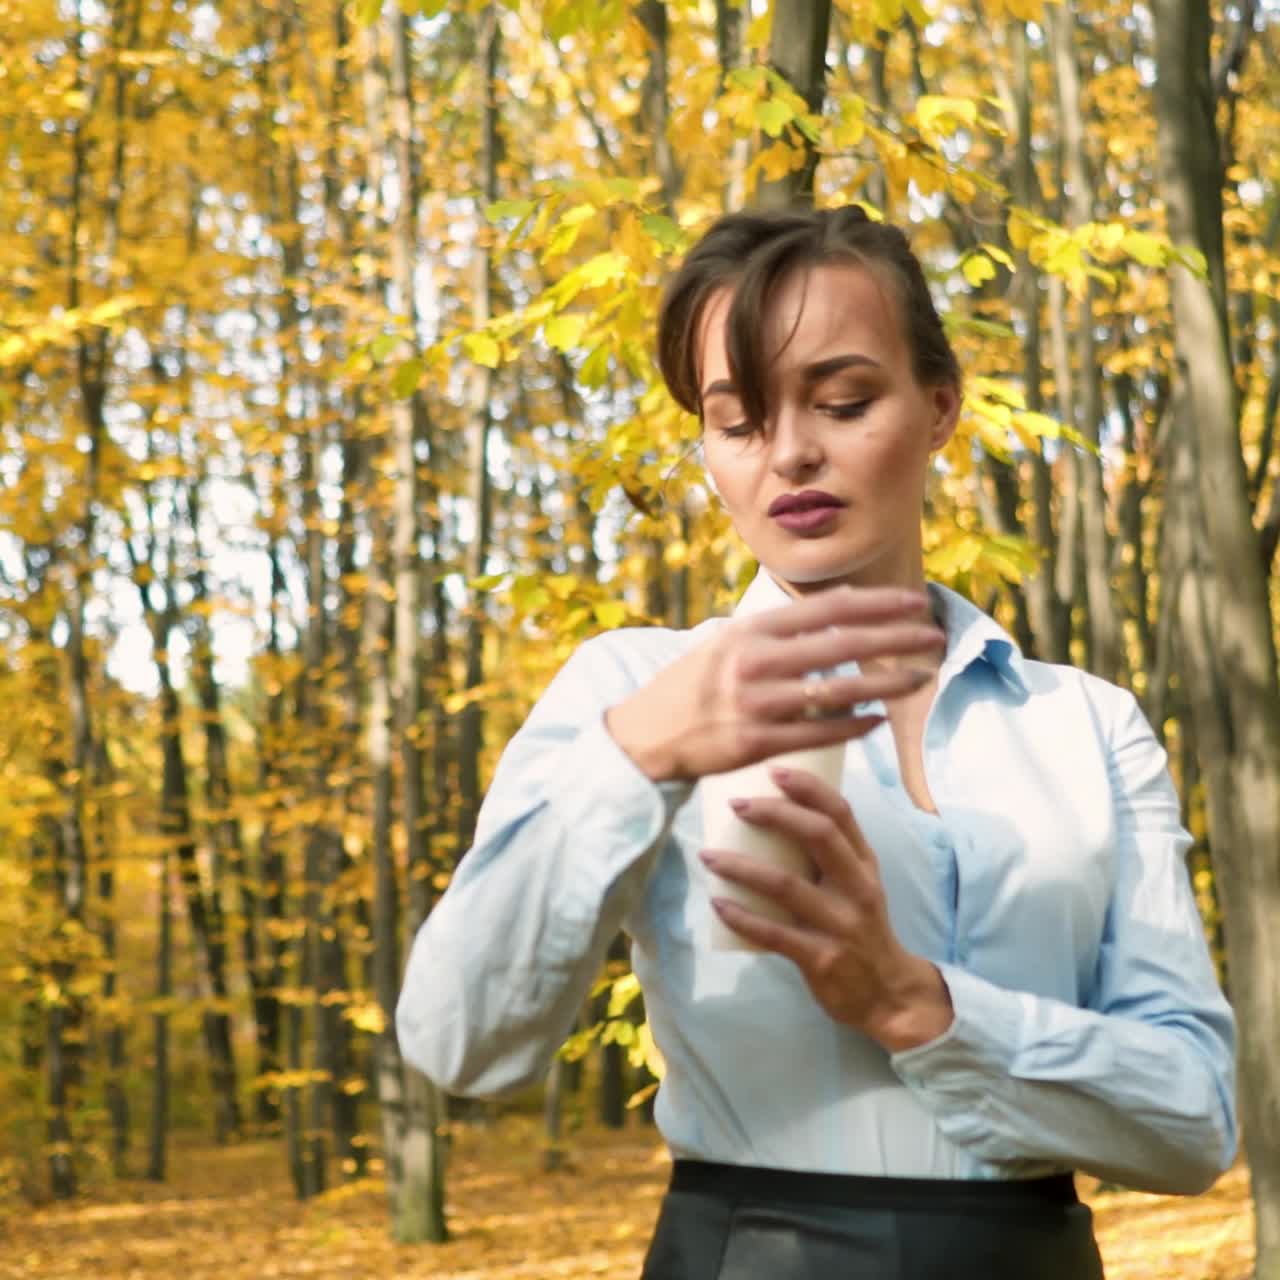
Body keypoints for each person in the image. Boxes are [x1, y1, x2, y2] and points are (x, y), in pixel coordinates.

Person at [396, 205, 1237, 1279]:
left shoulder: (1086, 723)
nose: (790, 451)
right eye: (737, 421)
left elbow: (1192, 1118)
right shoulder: (631, 689)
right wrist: (636, 757)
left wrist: (912, 1004)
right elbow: (461, 1041)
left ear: (939, 407)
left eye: (843, 402)